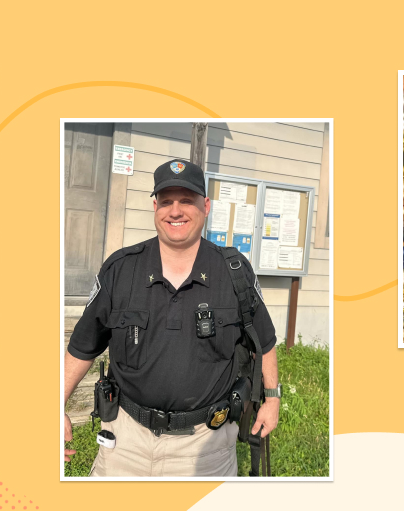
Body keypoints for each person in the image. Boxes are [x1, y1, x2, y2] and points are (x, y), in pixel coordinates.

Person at [63, 159, 280, 477]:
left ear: (205, 205)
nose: (175, 211)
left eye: (187, 200)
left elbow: (266, 342)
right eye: (166, 201)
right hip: (124, 440)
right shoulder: (121, 270)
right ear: (155, 207)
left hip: (206, 446)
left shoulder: (233, 272)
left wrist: (272, 398)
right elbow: (83, 346)